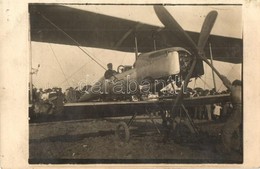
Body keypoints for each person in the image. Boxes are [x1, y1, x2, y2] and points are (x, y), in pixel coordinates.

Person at [218, 75, 242, 153]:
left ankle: (226, 149)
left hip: (238, 110)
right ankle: (241, 148)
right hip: (247, 110)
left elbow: (226, 82)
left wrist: (221, 76)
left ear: (235, 84)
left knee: (226, 130)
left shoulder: (234, 88)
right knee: (242, 131)